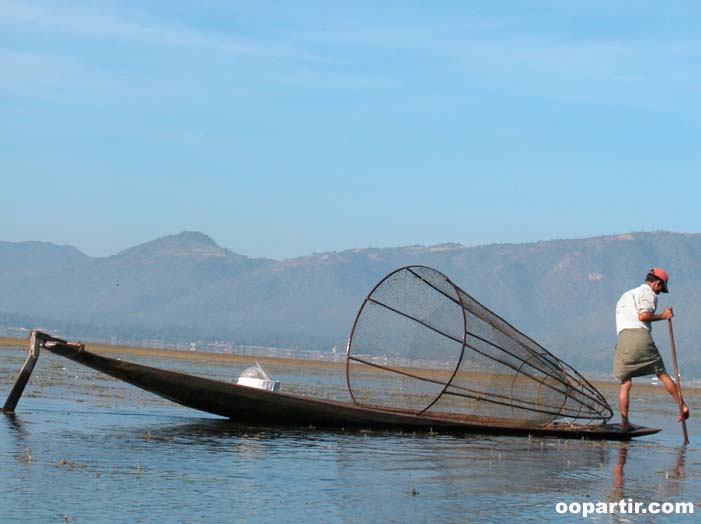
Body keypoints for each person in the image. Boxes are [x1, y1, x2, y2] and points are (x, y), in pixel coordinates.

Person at [613, 267, 689, 431]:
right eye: (661, 289)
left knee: (625, 382)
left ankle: (625, 423)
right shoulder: (648, 293)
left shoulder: (626, 295)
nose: (659, 293)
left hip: (623, 339)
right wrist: (663, 316)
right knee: (661, 373)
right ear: (656, 283)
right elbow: (643, 316)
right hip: (638, 336)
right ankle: (682, 406)